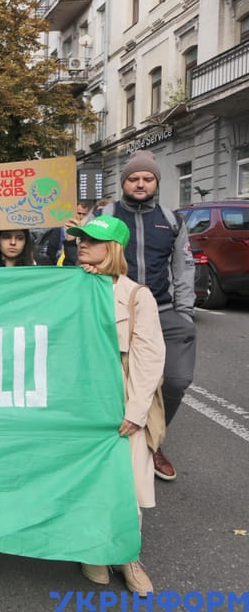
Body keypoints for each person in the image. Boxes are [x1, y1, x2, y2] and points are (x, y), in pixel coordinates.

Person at [69, 215, 164, 595]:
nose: (83, 244)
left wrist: (136, 411)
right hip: (81, 397)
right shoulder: (72, 285)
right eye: (81, 238)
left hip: (121, 397)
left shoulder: (138, 296)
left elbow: (149, 357)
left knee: (128, 482)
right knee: (86, 475)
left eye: (93, 240)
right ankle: (93, 548)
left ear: (113, 249)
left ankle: (128, 556)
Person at [99, 150, 195, 481]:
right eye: (134, 178)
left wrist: (184, 313)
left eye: (147, 178)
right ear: (123, 182)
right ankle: (125, 446)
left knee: (176, 380)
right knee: (120, 384)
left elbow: (183, 268)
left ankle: (154, 440)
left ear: (156, 182)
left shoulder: (172, 220)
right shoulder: (106, 216)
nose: (140, 184)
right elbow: (84, 257)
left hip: (165, 312)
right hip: (116, 313)